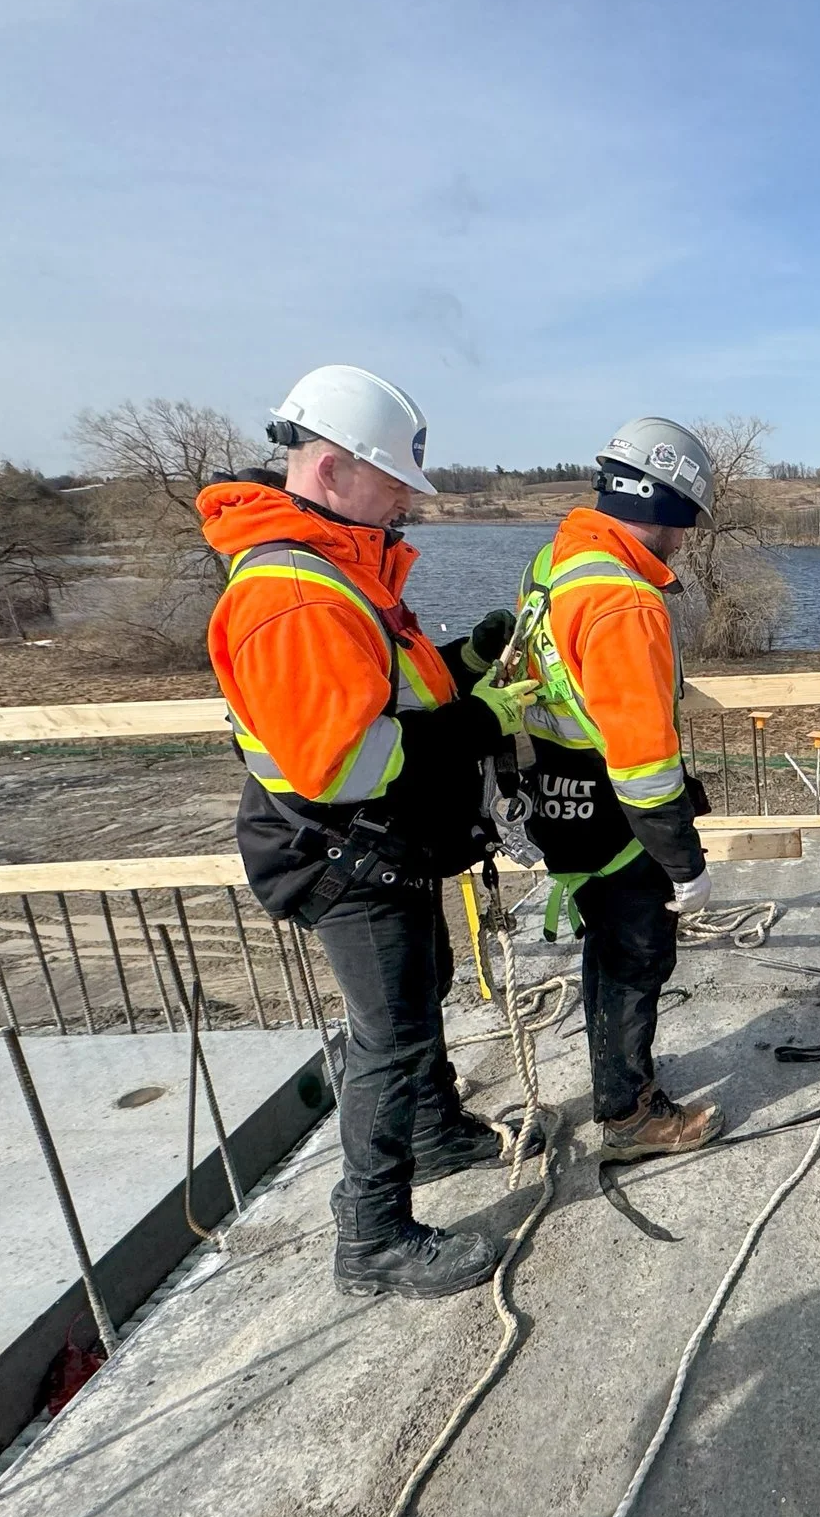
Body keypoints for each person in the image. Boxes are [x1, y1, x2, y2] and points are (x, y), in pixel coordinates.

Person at [202, 365, 543, 1300]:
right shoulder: (297, 594)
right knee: (388, 1037)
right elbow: (343, 763)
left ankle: (434, 1134)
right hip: (343, 854)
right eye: (394, 482)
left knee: (418, 995)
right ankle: (374, 1235)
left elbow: (394, 689)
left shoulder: (337, 569)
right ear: (333, 467)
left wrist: (468, 664)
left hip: (383, 847)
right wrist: (478, 723)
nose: (406, 501)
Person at [509, 416, 721, 1159]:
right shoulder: (624, 600)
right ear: (662, 507)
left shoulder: (556, 562)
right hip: (615, 813)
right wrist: (684, 863)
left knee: (605, 950)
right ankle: (631, 1116)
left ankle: (616, 1083)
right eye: (685, 522)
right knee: (635, 957)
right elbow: (643, 763)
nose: (685, 540)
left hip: (561, 798)